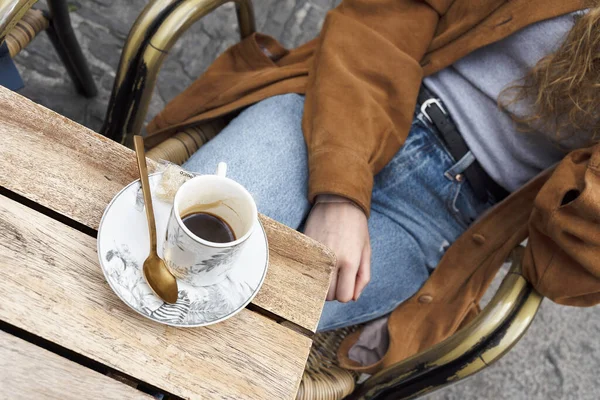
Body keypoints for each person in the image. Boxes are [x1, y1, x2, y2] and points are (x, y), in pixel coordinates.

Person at [147, 0, 600, 337]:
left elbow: (560, 274)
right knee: (167, 254)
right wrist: (341, 189)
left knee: (238, 328)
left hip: (442, 219)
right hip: (344, 107)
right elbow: (382, 20)